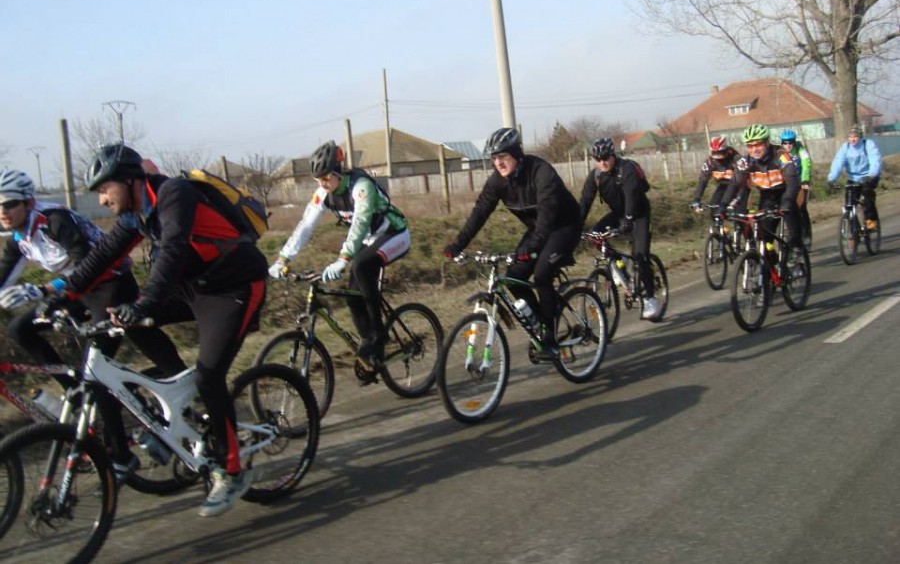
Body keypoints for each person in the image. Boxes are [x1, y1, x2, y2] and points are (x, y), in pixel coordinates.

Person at [63, 144, 268, 518]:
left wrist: (143, 302)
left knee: (210, 376)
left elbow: (172, 249)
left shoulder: (174, 193)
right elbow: (102, 255)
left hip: (235, 287)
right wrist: (59, 293)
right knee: (124, 326)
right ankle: (180, 405)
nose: (102, 198)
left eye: (105, 188)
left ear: (129, 181)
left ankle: (232, 469)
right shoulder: (136, 214)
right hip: (194, 288)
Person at [0, 169, 186, 482]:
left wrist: (44, 290)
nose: (3, 212)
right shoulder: (17, 235)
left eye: (10, 205)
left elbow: (87, 262)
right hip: (76, 293)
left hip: (107, 286)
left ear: (29, 202)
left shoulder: (54, 220)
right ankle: (73, 390)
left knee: (97, 370)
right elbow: (3, 275)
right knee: (20, 328)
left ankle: (121, 456)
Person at [268, 140, 410, 374]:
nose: (322, 184)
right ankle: (368, 347)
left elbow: (360, 223)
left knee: (361, 266)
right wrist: (284, 258)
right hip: (368, 242)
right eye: (318, 180)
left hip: (395, 234)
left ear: (337, 173)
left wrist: (343, 258)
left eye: (325, 178)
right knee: (353, 295)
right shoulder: (323, 193)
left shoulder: (361, 186)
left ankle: (379, 335)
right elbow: (306, 226)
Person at [444, 127, 582, 360]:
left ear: (517, 154)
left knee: (541, 275)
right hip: (537, 230)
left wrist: (531, 249)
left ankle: (550, 337)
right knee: (514, 279)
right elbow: (480, 212)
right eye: (494, 158)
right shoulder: (498, 181)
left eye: (503, 157)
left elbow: (547, 218)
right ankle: (540, 324)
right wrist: (458, 244)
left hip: (564, 227)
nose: (498, 163)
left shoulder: (541, 173)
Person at [579, 137, 661, 320]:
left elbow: (631, 194)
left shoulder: (626, 169)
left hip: (639, 214)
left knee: (640, 256)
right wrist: (576, 226)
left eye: (606, 158)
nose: (603, 162)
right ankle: (620, 263)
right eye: (598, 160)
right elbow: (584, 201)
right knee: (595, 236)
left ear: (613, 155)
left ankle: (650, 299)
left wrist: (629, 218)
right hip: (617, 214)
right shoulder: (596, 176)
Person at [721, 124, 801, 269]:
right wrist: (723, 205)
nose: (754, 150)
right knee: (764, 238)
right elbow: (734, 183)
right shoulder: (746, 161)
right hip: (768, 196)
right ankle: (774, 268)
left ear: (766, 143)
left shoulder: (781, 156)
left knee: (793, 227)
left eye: (757, 145)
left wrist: (788, 202)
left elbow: (793, 181)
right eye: (750, 146)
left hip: (786, 193)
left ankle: (795, 251)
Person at [827, 124, 882, 231]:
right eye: (850, 137)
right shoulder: (845, 147)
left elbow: (875, 160)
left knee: (867, 195)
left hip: (869, 176)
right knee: (849, 203)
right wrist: (832, 178)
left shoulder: (868, 145)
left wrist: (871, 175)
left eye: (855, 136)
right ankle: (854, 230)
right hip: (853, 178)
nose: (852, 139)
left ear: (860, 137)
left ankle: (870, 220)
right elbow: (838, 162)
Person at [690, 135, 739, 216]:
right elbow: (703, 180)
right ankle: (720, 226)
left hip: (738, 187)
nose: (718, 158)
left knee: (737, 213)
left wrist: (725, 203)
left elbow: (741, 180)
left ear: (726, 151)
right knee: (714, 210)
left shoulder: (736, 159)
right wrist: (697, 199)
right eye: (715, 154)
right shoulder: (710, 162)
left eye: (720, 154)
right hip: (723, 186)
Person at [779, 130, 813, 245]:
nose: (788, 146)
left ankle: (806, 234)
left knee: (801, 208)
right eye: (785, 143)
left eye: (790, 143)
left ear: (794, 142)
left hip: (801, 181)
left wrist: (805, 180)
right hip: (787, 183)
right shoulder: (780, 153)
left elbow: (806, 164)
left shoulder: (800, 151)